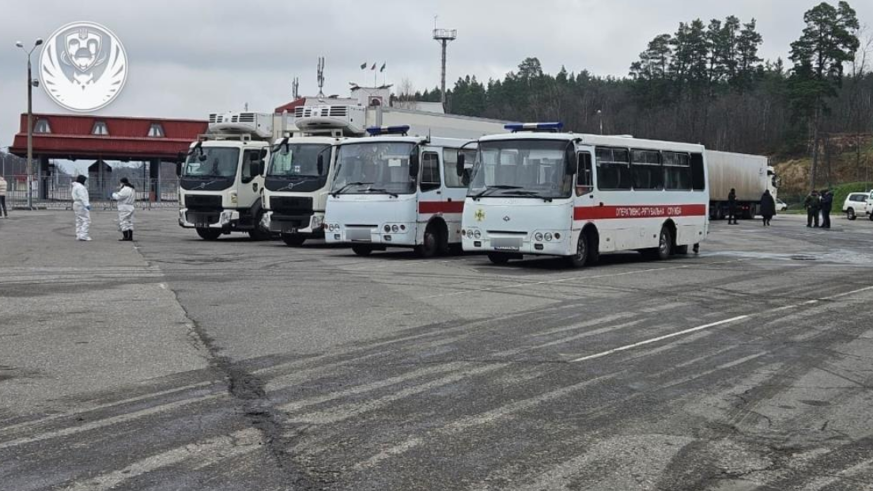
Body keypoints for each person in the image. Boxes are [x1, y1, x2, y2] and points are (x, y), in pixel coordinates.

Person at [71, 175, 91, 241]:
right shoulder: (81, 187)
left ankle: (79, 235)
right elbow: (83, 196)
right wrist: (87, 204)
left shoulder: (75, 186)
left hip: (76, 203)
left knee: (79, 220)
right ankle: (83, 235)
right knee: (86, 220)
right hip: (81, 204)